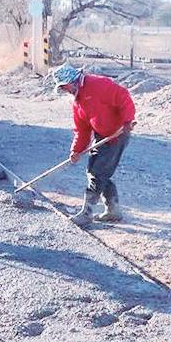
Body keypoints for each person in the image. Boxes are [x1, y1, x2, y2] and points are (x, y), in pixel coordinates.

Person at [49, 64, 135, 227]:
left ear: (72, 81)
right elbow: (82, 130)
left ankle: (87, 213)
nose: (64, 90)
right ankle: (113, 211)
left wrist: (127, 120)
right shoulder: (78, 101)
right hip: (102, 135)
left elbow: (123, 96)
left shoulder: (98, 84)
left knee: (98, 173)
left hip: (117, 134)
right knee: (96, 172)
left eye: (64, 86)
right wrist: (76, 150)